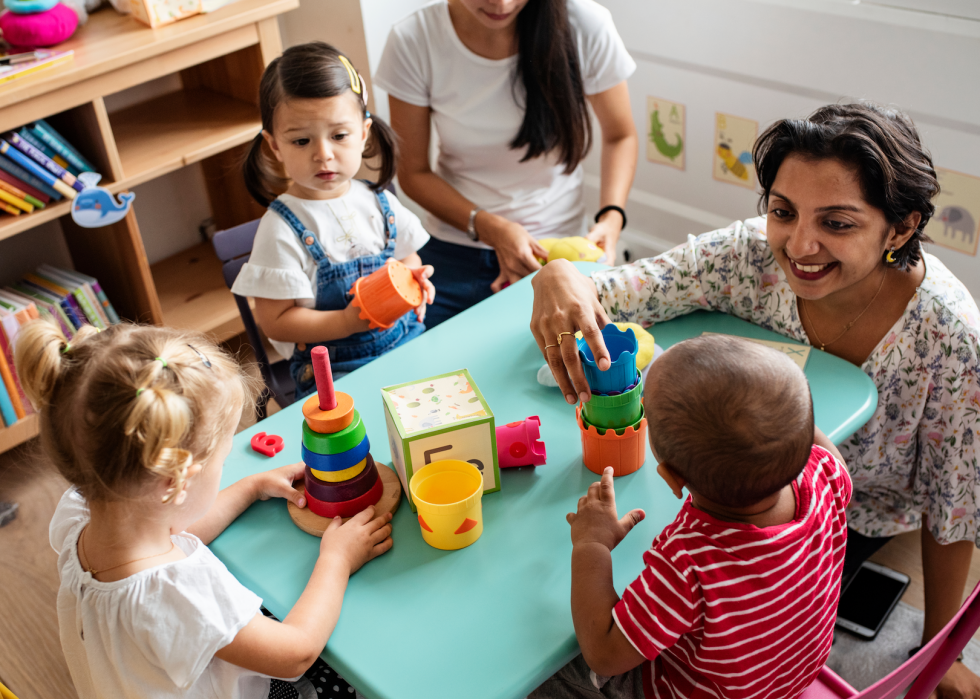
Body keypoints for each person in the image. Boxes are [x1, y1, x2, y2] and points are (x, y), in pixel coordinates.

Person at [530, 102, 980, 697]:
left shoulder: (952, 338)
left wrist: (938, 645)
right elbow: (620, 292)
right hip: (797, 499)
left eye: (837, 223)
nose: (799, 245)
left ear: (899, 228)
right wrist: (557, 276)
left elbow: (955, 506)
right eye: (783, 211)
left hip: (851, 520)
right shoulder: (747, 257)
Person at [15, 320, 393, 698]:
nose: (226, 468)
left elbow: (171, 535)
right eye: (223, 459)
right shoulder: (179, 595)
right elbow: (295, 653)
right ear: (175, 483)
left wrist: (250, 487)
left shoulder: (81, 517)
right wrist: (337, 559)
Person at [532, 335, 851, 698]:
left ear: (671, 478)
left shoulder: (690, 562)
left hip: (694, 691)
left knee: (546, 671)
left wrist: (592, 544)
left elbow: (603, 655)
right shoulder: (826, 475)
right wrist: (781, 417)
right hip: (785, 683)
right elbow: (819, 447)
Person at [375, 0, 638, 327]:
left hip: (557, 252)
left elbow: (620, 136)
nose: (501, 4)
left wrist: (612, 217)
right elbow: (413, 172)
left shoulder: (586, 24)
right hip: (456, 249)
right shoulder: (414, 39)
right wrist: (492, 228)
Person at [235, 42, 436, 396]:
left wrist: (413, 279)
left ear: (363, 133)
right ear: (274, 146)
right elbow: (276, 322)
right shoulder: (281, 229)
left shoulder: (379, 201)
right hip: (335, 372)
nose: (323, 155)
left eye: (339, 136)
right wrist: (345, 322)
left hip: (406, 341)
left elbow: (407, 257)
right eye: (301, 141)